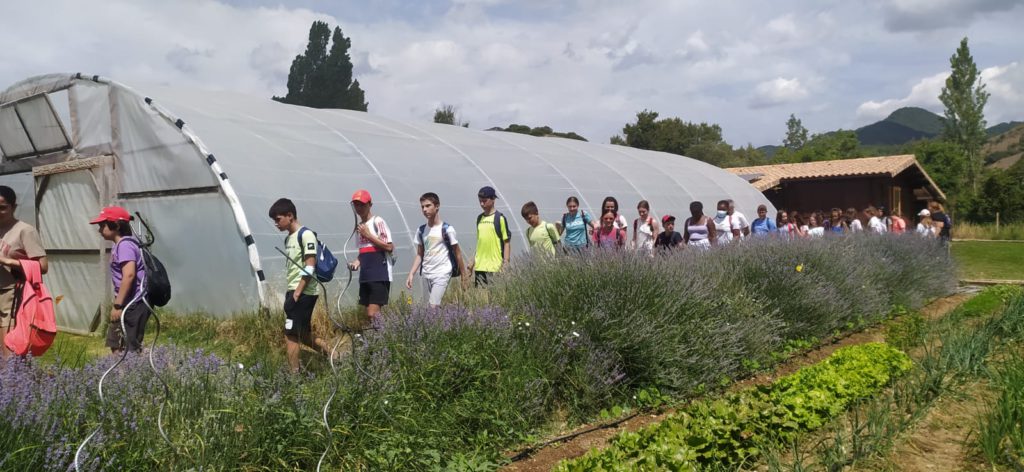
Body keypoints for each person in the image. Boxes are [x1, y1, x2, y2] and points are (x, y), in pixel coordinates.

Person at [268, 198, 331, 371]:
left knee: (290, 334)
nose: (276, 224)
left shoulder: (306, 235)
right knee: (302, 334)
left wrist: (296, 293)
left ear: (290, 216)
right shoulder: (289, 239)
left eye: (278, 219)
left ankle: (294, 377)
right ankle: (334, 356)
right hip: (294, 290)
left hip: (304, 292)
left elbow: (310, 266)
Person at [91, 206, 150, 355]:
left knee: (129, 348)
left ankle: (141, 371)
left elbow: (129, 275)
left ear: (116, 225)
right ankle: (123, 374)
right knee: (116, 343)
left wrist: (118, 305)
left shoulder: (125, 245)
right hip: (128, 302)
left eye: (102, 225)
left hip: (134, 302)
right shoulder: (123, 245)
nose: (100, 230)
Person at [0, 186, 47, 358]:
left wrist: (8, 261)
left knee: (9, 349)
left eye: (3, 207)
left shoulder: (24, 230)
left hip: (12, 293)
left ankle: (15, 383)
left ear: (13, 206)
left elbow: (42, 266)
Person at [406, 193, 468, 308]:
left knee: (433, 307)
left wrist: (464, 275)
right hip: (426, 273)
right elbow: (420, 254)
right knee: (428, 310)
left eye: (428, 206)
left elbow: (457, 253)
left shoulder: (447, 229)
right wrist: (411, 273)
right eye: (422, 207)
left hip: (442, 272)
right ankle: (442, 324)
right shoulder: (421, 230)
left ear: (437, 206)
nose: (424, 209)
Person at [349, 190, 395, 322]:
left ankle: (386, 336)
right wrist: (357, 262)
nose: (359, 208)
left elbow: (389, 247)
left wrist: (368, 235)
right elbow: (363, 250)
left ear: (370, 204)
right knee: (368, 314)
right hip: (365, 275)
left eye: (362, 204)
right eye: (356, 205)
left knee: (373, 314)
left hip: (379, 273)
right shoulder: (360, 227)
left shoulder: (377, 221)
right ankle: (377, 339)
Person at [470, 186, 510, 286]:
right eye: (480, 201)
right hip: (480, 267)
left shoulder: (499, 218)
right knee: (481, 300)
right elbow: (480, 242)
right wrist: (473, 261)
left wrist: (505, 264)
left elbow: (506, 242)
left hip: (495, 267)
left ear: (493, 200)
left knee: (495, 300)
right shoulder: (479, 219)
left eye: (484, 201)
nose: (482, 204)